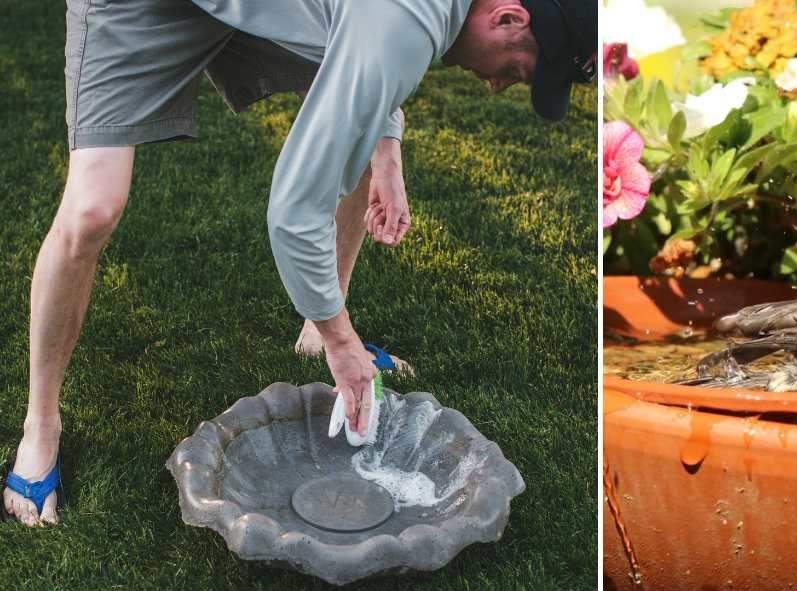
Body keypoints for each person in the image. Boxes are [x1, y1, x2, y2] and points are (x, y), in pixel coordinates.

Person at [2, 0, 597, 527]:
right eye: (517, 70)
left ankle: (314, 333)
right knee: (92, 211)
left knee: (360, 130)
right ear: (509, 17)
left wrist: (386, 147)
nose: (498, 86)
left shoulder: (417, 20)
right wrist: (347, 343)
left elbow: (367, 35)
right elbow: (293, 211)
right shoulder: (410, 20)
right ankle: (41, 425)